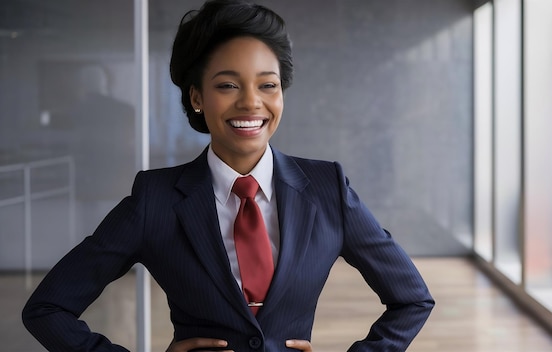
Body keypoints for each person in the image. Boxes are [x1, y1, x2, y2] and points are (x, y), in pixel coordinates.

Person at [22, 1, 435, 351]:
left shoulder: (328, 188)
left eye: (267, 85)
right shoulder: (157, 199)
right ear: (196, 97)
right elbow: (47, 309)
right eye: (227, 85)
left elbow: (412, 299)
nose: (251, 103)